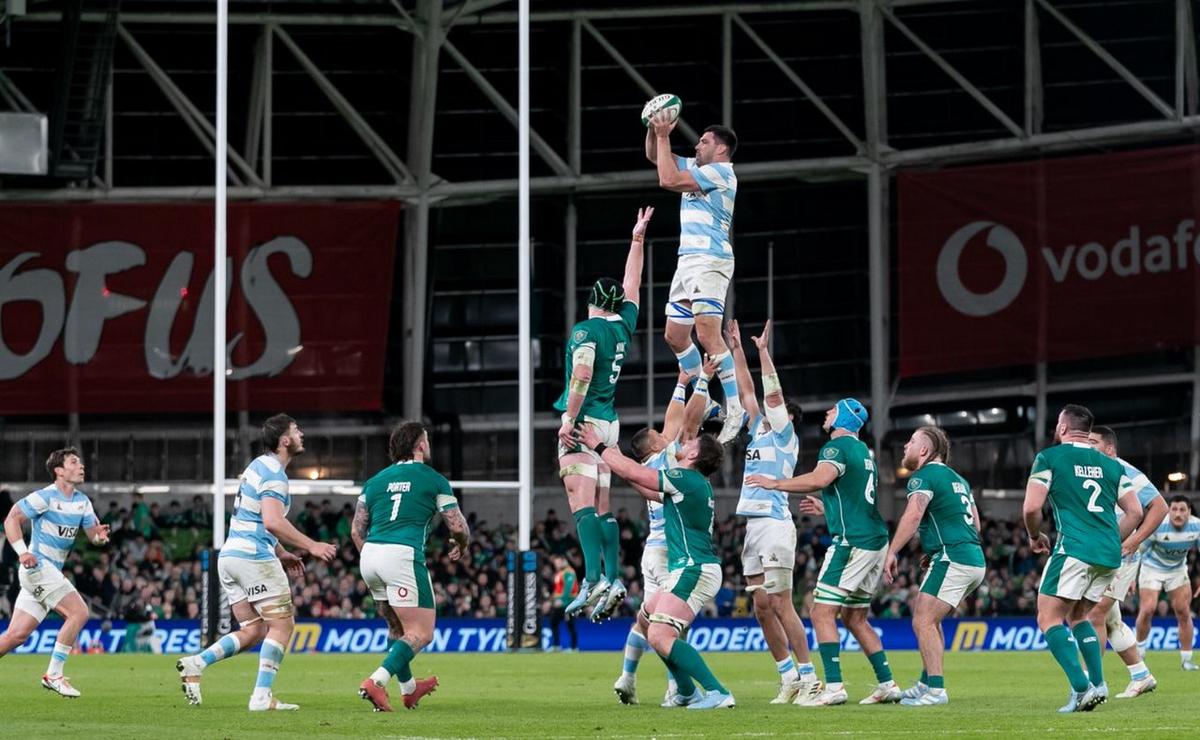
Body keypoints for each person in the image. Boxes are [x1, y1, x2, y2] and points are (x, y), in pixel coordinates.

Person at [176, 414, 338, 710]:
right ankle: (261, 696)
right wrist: (311, 545)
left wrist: (281, 552)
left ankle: (196, 664)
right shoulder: (276, 475)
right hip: (252, 557)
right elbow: (273, 521)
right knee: (282, 625)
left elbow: (253, 518)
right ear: (285, 440)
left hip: (231, 556)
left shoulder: (256, 466)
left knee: (253, 630)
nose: (301, 433)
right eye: (296, 429)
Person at [745, 399, 898, 706]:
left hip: (852, 541)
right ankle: (887, 683)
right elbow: (853, 498)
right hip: (874, 538)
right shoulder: (863, 452)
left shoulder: (836, 447)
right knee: (856, 618)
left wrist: (776, 483)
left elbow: (819, 479)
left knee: (820, 611)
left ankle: (834, 687)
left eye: (833, 410)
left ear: (844, 417)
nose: (827, 414)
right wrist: (826, 507)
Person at [579, 424, 734, 709]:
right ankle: (686, 692)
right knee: (647, 620)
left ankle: (718, 692)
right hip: (689, 568)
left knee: (661, 635)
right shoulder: (691, 482)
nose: (685, 442)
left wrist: (600, 448)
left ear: (695, 454)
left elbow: (638, 473)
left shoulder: (685, 477)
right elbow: (648, 488)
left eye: (691, 442)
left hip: (694, 569)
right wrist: (615, 461)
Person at [553, 207, 651, 617]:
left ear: (592, 299)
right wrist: (637, 241)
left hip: (585, 422)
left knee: (581, 504)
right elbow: (634, 284)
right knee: (605, 505)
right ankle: (612, 577)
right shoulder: (622, 326)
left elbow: (581, 373)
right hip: (609, 425)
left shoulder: (586, 330)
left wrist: (567, 420)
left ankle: (592, 578)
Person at [1023, 404, 1142, 713]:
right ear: (1088, 431)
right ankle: (1099, 684)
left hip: (1074, 548)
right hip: (1108, 555)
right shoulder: (1112, 466)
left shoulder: (1049, 457)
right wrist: (1109, 540)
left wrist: (1035, 536)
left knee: (1047, 618)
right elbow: (1136, 512)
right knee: (1078, 616)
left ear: (1063, 428)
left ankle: (1081, 688)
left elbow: (1031, 509)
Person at [726, 319, 820, 705]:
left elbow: (771, 395)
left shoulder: (785, 434)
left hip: (776, 524)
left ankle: (810, 676)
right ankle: (788, 677)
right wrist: (736, 350)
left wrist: (763, 352)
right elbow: (747, 389)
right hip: (753, 527)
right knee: (761, 607)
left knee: (781, 602)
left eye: (771, 409)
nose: (763, 409)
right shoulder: (759, 430)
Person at [612, 359, 716, 705]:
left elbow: (670, 422)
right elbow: (684, 422)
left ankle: (628, 675)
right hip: (675, 551)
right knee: (670, 625)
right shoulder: (669, 460)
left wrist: (679, 382)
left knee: (649, 617)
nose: (665, 433)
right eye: (660, 436)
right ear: (655, 445)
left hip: (652, 551)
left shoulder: (649, 464)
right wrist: (701, 381)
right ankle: (682, 687)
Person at [355, 421, 468, 712]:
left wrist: (371, 554)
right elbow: (457, 524)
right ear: (419, 444)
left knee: (396, 627)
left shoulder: (375, 481)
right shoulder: (433, 479)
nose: (428, 445)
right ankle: (376, 681)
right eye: (426, 440)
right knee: (421, 632)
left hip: (369, 555)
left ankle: (409, 689)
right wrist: (461, 543)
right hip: (401, 554)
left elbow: (357, 529)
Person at [644, 111, 743, 444]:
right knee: (674, 335)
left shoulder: (720, 173)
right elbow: (655, 157)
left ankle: (736, 405)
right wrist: (653, 128)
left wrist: (662, 135)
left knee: (707, 334)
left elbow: (668, 180)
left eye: (704, 141)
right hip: (687, 261)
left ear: (720, 149)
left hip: (710, 259)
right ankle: (709, 397)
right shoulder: (699, 167)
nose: (697, 145)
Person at [883, 426, 984, 706]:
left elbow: (914, 514)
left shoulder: (924, 475)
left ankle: (936, 690)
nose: (906, 446)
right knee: (931, 619)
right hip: (972, 557)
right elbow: (975, 524)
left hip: (954, 556)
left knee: (922, 620)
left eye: (911, 441)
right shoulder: (960, 480)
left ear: (925, 451)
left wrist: (892, 551)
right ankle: (927, 682)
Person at [0, 448, 110, 697]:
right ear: (59, 471)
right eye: (74, 462)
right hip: (38, 566)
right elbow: (12, 519)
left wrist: (100, 537)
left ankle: (54, 675)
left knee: (16, 635)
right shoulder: (45, 497)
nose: (81, 466)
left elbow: (94, 535)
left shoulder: (82, 501)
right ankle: (54, 674)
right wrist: (22, 551)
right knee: (80, 612)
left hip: (45, 573)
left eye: (80, 462)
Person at [1084, 425, 1167, 697]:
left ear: (1109, 448)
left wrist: (1135, 539)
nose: (1089, 446)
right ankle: (1141, 675)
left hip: (1119, 555)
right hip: (1101, 554)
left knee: (1093, 613)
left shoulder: (1125, 471)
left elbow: (1160, 506)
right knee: (1110, 620)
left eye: (1093, 442)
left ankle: (1092, 684)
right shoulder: (1092, 471)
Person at [1134, 495, 1200, 670]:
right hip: (1151, 567)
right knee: (1148, 609)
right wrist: (1131, 578)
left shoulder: (1197, 527)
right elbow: (1137, 550)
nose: (1177, 514)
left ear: (1189, 512)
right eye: (1174, 509)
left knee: (1184, 611)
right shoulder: (1157, 525)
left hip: (1177, 570)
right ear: (1168, 510)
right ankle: (1139, 654)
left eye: (1182, 510)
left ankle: (1186, 660)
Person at [549, 555, 579, 651]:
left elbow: (568, 589)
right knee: (554, 622)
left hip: (568, 603)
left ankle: (573, 647)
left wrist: (563, 602)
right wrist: (552, 600)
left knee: (570, 624)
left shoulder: (569, 572)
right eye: (555, 563)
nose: (556, 565)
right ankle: (556, 645)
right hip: (559, 603)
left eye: (558, 563)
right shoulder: (560, 573)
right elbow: (558, 590)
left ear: (563, 561)